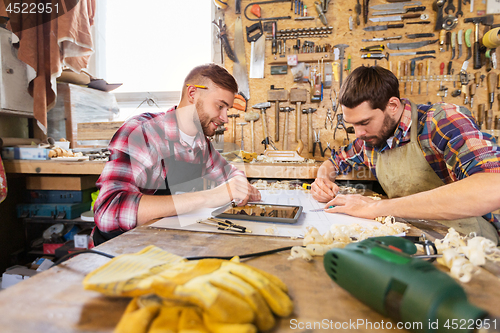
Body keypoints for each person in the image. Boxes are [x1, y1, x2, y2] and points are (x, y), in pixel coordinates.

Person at [311, 65, 500, 243]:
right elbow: (334, 162)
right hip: (413, 233)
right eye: (352, 125)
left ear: (392, 105)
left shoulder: (441, 120)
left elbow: (493, 186)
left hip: (467, 240)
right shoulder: (370, 140)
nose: (358, 133)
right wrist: (322, 181)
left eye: (364, 122)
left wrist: (375, 207)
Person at [93, 63, 261, 245]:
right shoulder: (142, 133)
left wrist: (239, 184)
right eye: (220, 106)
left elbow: (228, 172)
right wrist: (210, 197)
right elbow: (108, 212)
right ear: (192, 94)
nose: (225, 117)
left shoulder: (199, 142)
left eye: (228, 109)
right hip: (119, 252)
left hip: (162, 244)